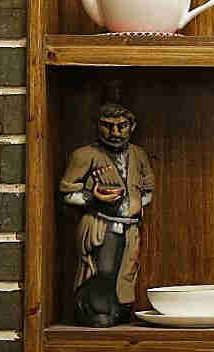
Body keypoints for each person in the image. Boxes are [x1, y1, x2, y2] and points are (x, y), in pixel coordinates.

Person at [59, 102, 154, 327]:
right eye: (108, 126)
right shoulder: (85, 155)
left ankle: (119, 310)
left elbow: (148, 190)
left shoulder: (138, 154)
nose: (115, 133)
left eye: (122, 126)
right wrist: (93, 198)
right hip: (101, 224)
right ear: (97, 125)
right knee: (103, 269)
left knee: (126, 270)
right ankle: (95, 310)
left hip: (130, 225)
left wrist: (133, 205)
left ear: (132, 126)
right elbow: (66, 192)